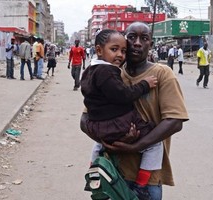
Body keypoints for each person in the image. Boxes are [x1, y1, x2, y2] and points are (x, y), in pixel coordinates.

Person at [80, 22, 189, 200]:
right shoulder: (109, 72)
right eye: (132, 37)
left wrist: (136, 146)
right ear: (124, 40)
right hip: (111, 173)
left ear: (151, 45)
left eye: (144, 38)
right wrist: (112, 140)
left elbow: (175, 121)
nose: (137, 43)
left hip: (148, 181)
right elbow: (85, 120)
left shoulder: (162, 74)